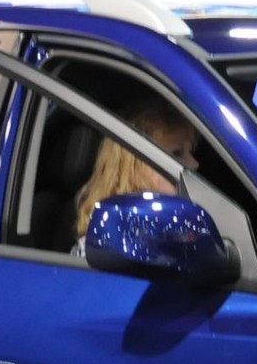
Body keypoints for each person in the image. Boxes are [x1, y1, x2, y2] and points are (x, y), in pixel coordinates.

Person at [69, 101, 201, 253]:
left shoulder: (181, 225)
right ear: (134, 170)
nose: (193, 164)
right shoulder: (104, 244)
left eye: (190, 151)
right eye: (176, 154)